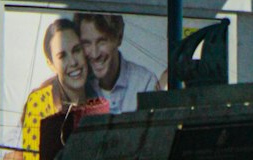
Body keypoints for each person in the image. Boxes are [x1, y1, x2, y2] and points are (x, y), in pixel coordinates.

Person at [18, 19, 94, 158]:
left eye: (76, 50)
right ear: (51, 64)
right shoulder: (39, 103)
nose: (73, 62)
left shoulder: (100, 98)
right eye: (62, 56)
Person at [73, 12, 160, 113]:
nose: (95, 54)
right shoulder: (79, 84)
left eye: (102, 41)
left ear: (119, 37)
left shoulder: (145, 83)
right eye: (86, 43)